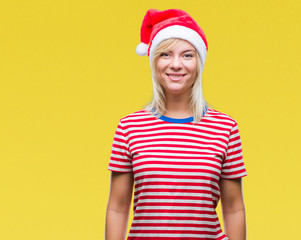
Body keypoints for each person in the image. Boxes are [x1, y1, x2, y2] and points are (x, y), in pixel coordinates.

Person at [105, 9, 247, 240]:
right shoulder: (129, 128)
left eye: (187, 55)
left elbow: (234, 208)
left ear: (199, 62)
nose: (176, 64)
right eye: (166, 55)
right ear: (154, 62)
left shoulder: (225, 128)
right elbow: (117, 207)